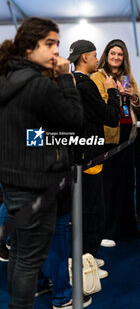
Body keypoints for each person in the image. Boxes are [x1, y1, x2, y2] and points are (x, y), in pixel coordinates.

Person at [0, 17, 84, 309]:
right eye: (49, 43)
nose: (55, 51)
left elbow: (29, 133)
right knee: (29, 260)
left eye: (57, 44)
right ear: (28, 46)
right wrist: (65, 79)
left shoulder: (8, 77)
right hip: (37, 183)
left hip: (13, 180)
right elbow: (75, 120)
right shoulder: (38, 84)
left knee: (21, 254)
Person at [68, 39, 120, 274]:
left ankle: (85, 257)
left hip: (75, 153)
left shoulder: (67, 82)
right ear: (85, 57)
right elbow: (110, 117)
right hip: (88, 157)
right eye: (95, 55)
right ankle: (85, 263)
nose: (98, 60)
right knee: (92, 211)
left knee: (83, 209)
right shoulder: (86, 86)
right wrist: (112, 91)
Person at [91, 39, 140, 246]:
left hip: (127, 135)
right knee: (109, 185)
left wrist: (132, 97)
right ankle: (107, 231)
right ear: (107, 55)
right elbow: (98, 107)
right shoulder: (98, 76)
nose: (116, 57)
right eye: (113, 53)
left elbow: (139, 109)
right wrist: (113, 92)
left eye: (120, 54)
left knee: (126, 184)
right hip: (108, 138)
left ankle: (127, 227)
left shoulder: (127, 78)